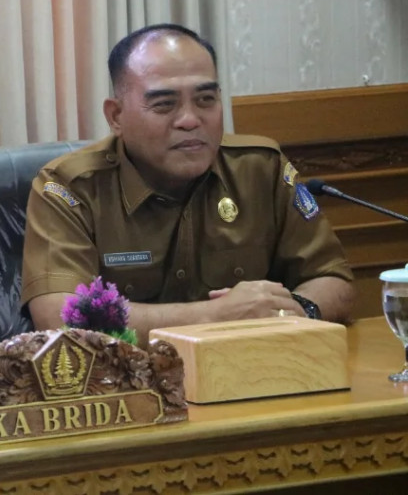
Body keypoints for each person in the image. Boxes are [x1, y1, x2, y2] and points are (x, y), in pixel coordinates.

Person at [21, 23, 354, 342]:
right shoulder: (70, 187)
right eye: (165, 104)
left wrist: (294, 311)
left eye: (206, 100)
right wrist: (217, 316)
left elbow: (333, 279)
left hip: (252, 375)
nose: (190, 120)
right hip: (130, 390)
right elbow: (61, 317)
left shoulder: (259, 168)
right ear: (116, 117)